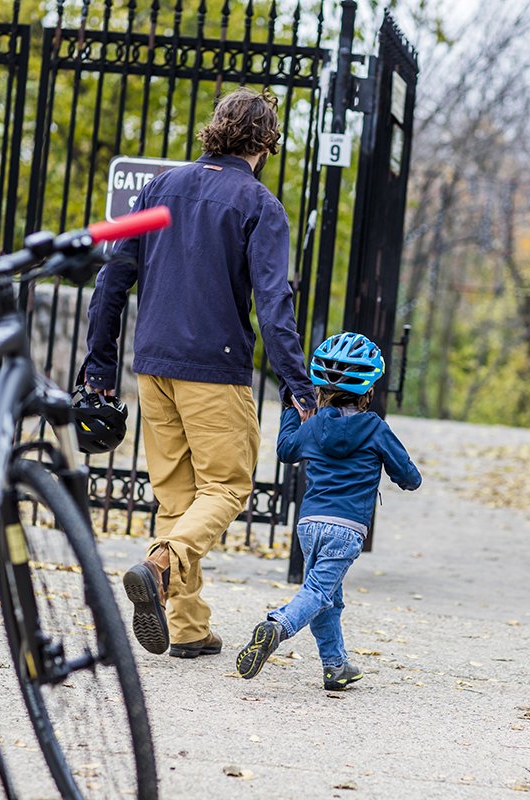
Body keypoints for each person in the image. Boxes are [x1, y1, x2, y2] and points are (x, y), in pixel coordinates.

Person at [82, 88, 317, 659]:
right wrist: (298, 383)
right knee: (227, 486)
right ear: (267, 143)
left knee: (177, 497)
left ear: (215, 130)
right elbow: (274, 305)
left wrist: (100, 364)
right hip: (215, 368)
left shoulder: (160, 188)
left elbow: (112, 280)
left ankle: (188, 628)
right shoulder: (259, 204)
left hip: (152, 365)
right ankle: (162, 564)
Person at [236, 332, 422, 689]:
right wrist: (403, 476)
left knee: (328, 599)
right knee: (319, 593)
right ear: (368, 390)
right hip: (346, 529)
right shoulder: (375, 429)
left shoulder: (316, 425)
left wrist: (291, 410)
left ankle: (336, 667)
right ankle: (277, 626)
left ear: (322, 389)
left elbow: (286, 450)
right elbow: (409, 477)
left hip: (309, 525)